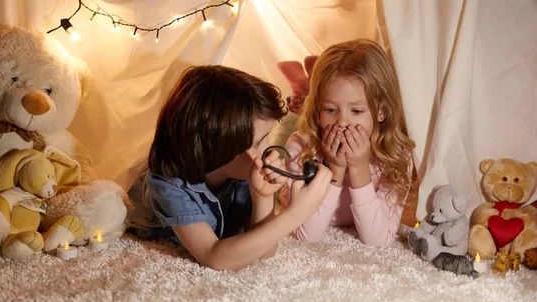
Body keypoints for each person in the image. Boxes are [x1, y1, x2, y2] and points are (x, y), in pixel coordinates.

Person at [128, 65, 332, 271]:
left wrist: (262, 196)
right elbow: (214, 257)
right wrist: (297, 213)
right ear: (217, 148)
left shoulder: (244, 172)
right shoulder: (168, 184)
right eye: (258, 142)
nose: (269, 150)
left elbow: (265, 251)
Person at [282, 39, 418, 246]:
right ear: (318, 110)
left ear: (381, 111)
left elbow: (378, 241)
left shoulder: (397, 154)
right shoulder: (300, 148)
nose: (342, 122)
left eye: (356, 111)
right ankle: (302, 85)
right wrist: (335, 167)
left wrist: (359, 167)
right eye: (330, 110)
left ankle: (303, 82)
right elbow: (306, 236)